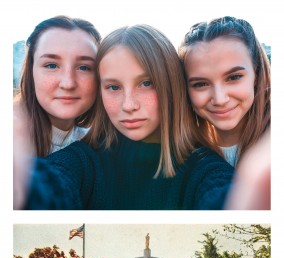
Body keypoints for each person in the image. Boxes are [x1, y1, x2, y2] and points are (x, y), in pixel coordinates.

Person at [14, 24, 234, 210]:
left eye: (146, 83)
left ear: (171, 85)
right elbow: (49, 184)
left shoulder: (207, 170)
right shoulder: (83, 159)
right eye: (113, 87)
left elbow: (226, 198)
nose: (128, 105)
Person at [179, 16, 270, 167]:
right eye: (201, 84)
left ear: (256, 73)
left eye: (234, 77)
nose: (220, 99)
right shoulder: (183, 156)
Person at [16, 15, 101, 156]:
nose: (68, 83)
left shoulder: (101, 148)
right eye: (51, 65)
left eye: (84, 67)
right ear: (31, 73)